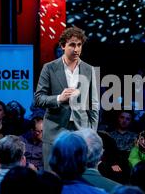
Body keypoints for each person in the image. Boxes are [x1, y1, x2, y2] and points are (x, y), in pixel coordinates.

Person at [34, 26, 99, 171]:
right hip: (54, 129)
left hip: (81, 129)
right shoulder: (49, 68)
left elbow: (93, 104)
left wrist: (92, 132)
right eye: (72, 45)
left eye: (79, 45)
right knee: (52, 175)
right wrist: (59, 98)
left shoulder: (89, 70)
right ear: (63, 46)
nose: (76, 49)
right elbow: (38, 98)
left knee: (79, 175)